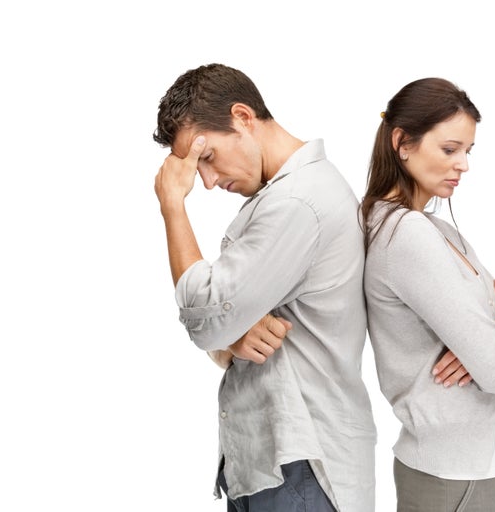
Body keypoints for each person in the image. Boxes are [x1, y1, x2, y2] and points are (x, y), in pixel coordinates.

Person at [153, 63, 376, 512]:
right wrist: (232, 337)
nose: (209, 182)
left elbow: (206, 314)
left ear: (242, 117)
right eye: (197, 171)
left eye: (207, 158)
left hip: (302, 469)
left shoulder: (297, 203)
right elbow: (222, 332)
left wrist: (172, 205)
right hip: (277, 463)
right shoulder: (289, 196)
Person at [360, 77, 495, 512]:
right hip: (464, 479)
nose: (463, 164)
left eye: (468, 151)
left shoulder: (437, 229)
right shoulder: (405, 235)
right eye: (450, 149)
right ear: (402, 143)